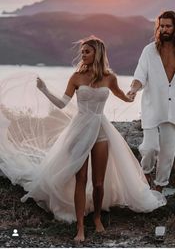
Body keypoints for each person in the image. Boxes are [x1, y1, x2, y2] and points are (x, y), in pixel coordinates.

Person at [0, 36, 166, 243]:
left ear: (97, 53)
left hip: (101, 130)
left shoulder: (109, 78)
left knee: (98, 182)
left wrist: (133, 93)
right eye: (82, 52)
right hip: (79, 129)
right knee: (80, 179)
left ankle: (96, 217)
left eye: (87, 51)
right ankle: (80, 226)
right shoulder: (76, 77)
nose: (83, 55)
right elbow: (62, 103)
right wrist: (43, 90)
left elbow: (124, 97)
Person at [127, 11, 175, 193]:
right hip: (152, 107)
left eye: (168, 26)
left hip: (174, 108)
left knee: (168, 154)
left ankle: (158, 189)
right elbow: (140, 75)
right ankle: (145, 176)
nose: (164, 29)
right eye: (161, 26)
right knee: (150, 147)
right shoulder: (149, 51)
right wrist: (134, 89)